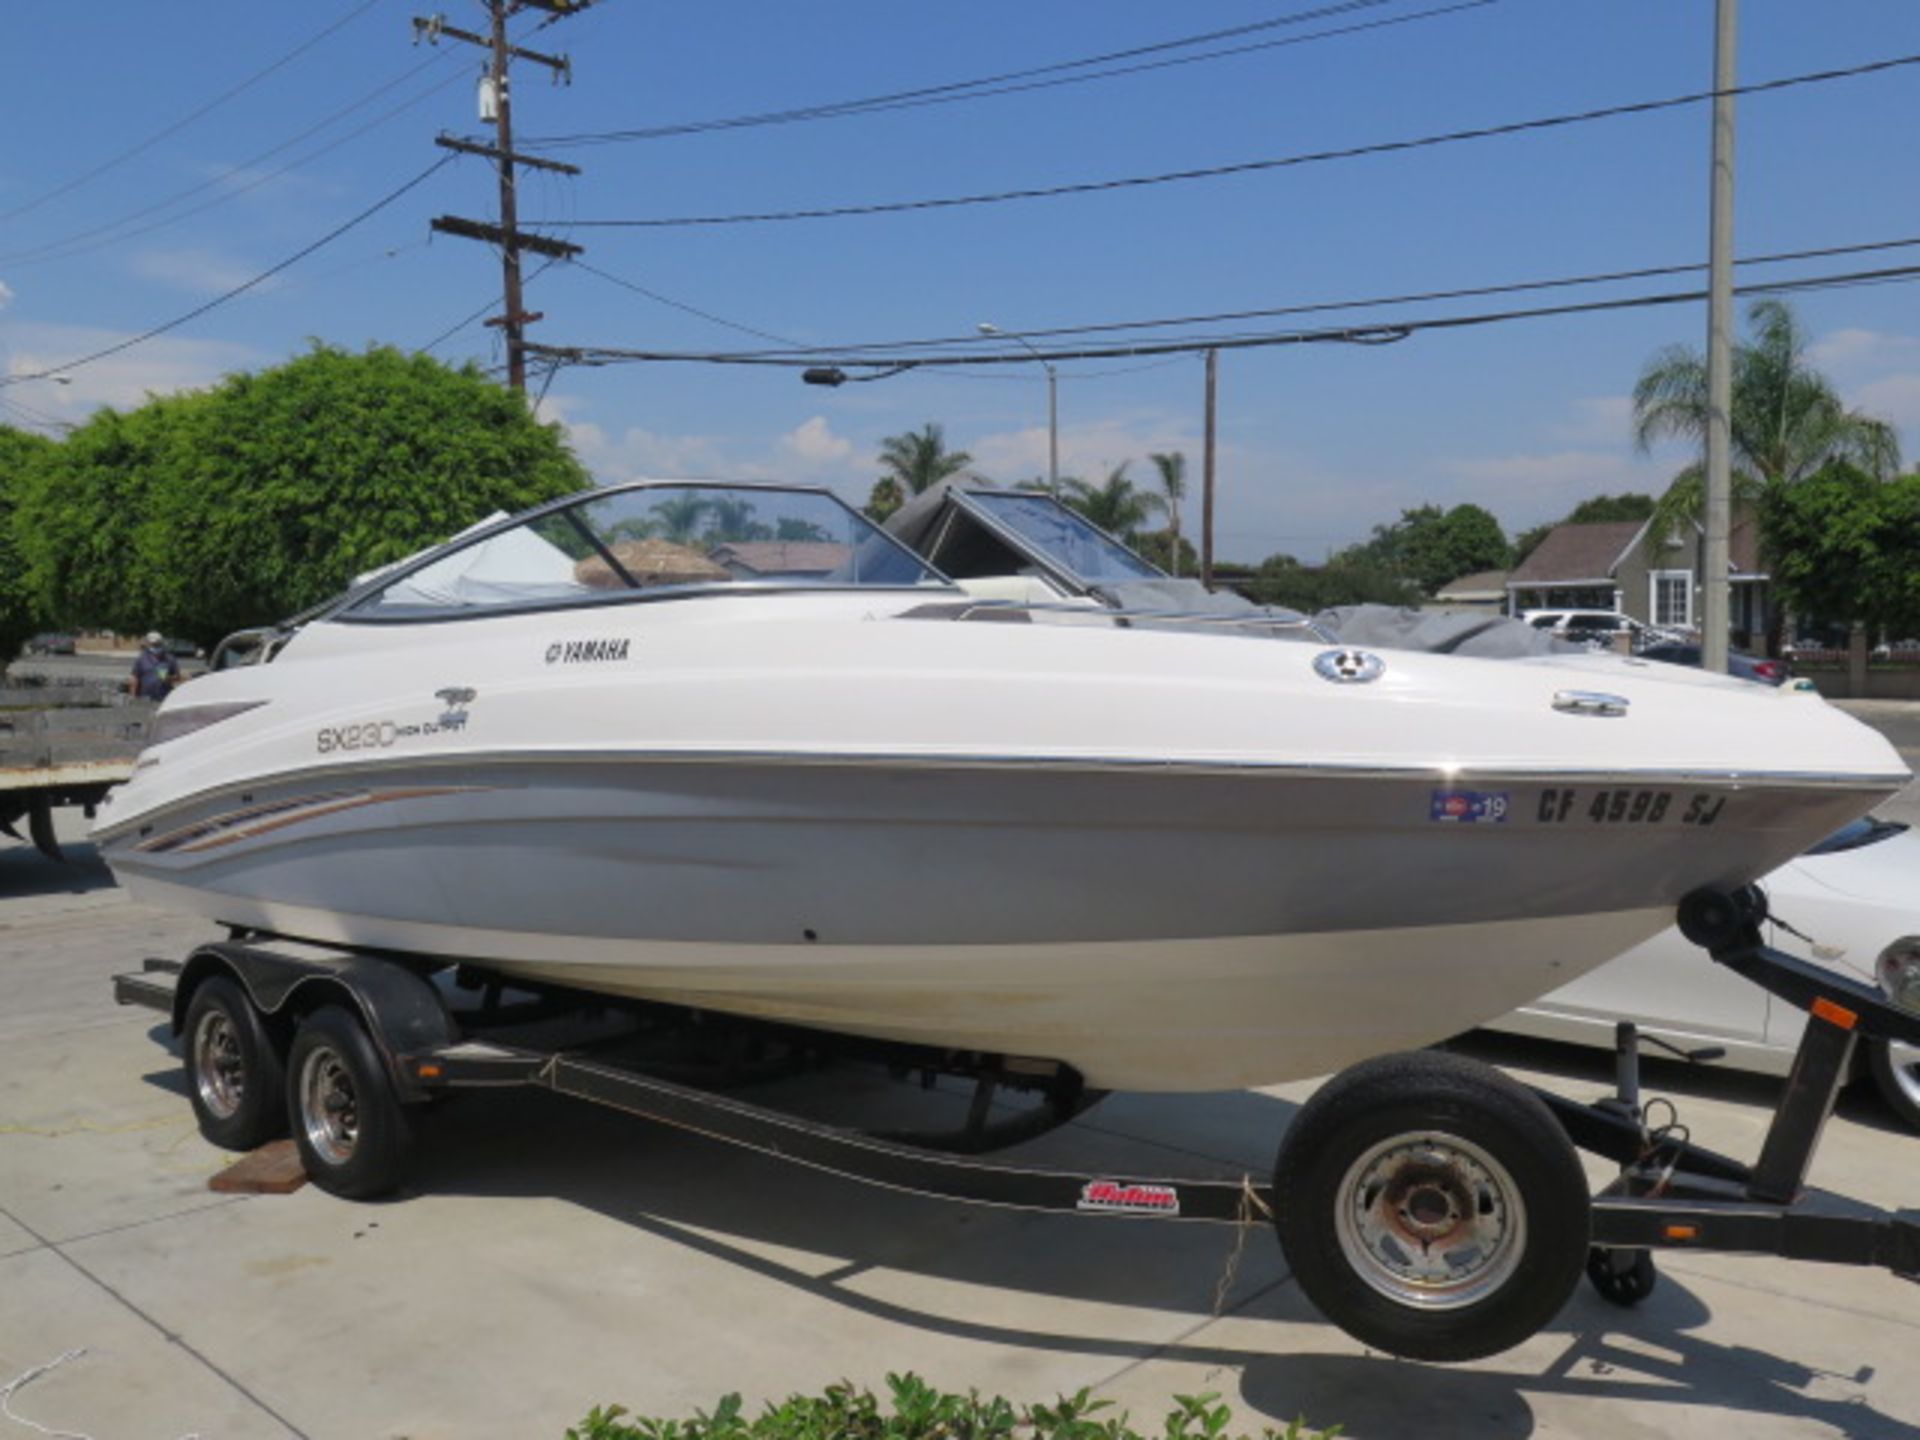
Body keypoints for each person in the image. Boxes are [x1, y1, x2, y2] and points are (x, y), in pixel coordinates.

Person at [128, 632, 180, 701]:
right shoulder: (141, 659)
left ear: (161, 643)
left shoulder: (170, 659)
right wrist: (133, 696)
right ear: (148, 644)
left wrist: (169, 678)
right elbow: (135, 678)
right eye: (153, 645)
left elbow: (177, 676)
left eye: (157, 644)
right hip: (145, 696)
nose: (155, 646)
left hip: (164, 696)